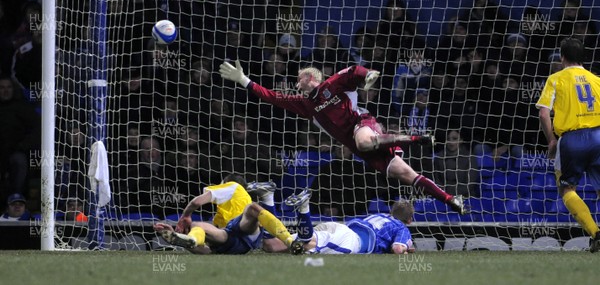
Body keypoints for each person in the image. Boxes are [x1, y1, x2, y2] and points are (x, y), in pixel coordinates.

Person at [219, 61, 467, 214]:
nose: (296, 83)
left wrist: (367, 74)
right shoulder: (304, 105)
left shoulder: (332, 85)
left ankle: (415, 139)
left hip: (363, 125)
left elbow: (353, 72)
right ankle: (451, 199)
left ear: (310, 77)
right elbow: (272, 96)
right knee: (408, 176)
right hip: (361, 147)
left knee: (362, 141)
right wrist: (243, 80)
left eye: (299, 78)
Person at [536, 38, 600, 253]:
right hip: (599, 135)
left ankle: (596, 233)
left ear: (562, 57)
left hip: (572, 139)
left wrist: (552, 140)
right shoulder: (596, 80)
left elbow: (544, 112)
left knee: (567, 189)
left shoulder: (556, 79)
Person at [154, 174, 296, 254]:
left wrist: (186, 215)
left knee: (251, 209)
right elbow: (209, 252)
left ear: (225, 183)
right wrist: (176, 237)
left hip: (238, 231)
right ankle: (190, 240)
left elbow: (197, 202)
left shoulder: (234, 186)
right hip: (242, 243)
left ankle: (193, 238)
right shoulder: (219, 217)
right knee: (252, 209)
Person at [263, 189, 415, 255]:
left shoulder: (382, 215)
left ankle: (268, 197)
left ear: (392, 212)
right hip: (350, 241)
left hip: (340, 228)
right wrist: (407, 249)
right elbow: (397, 249)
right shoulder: (401, 227)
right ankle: (304, 207)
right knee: (305, 244)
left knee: (272, 245)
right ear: (409, 220)